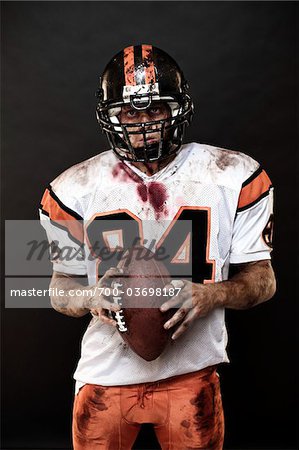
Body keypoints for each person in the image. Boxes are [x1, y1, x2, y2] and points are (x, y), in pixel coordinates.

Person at [39, 44, 276, 450]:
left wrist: (212, 294)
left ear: (177, 110)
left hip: (193, 371)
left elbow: (264, 281)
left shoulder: (235, 174)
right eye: (130, 112)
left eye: (156, 109)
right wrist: (89, 296)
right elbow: (55, 290)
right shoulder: (68, 189)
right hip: (104, 377)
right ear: (111, 116)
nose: (144, 123)